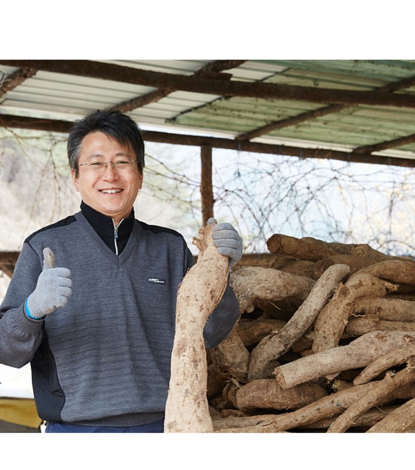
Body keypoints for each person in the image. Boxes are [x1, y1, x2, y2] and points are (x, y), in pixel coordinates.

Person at [0, 110, 242, 433]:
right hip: (75, 434)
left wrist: (219, 267)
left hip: (163, 427)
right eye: (96, 163)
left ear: (140, 175)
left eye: (122, 162)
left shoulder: (169, 248)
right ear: (75, 176)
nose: (110, 175)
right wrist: (31, 310)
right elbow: (7, 351)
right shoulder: (43, 247)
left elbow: (212, 331)